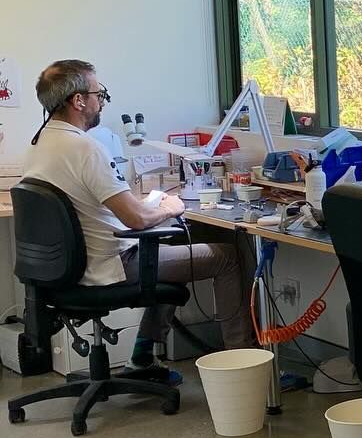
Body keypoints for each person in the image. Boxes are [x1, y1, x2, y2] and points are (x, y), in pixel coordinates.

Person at [22, 60, 259, 384]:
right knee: (227, 257)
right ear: (79, 101)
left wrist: (149, 206)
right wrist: (170, 206)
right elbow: (133, 218)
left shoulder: (39, 143)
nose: (101, 101)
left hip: (65, 269)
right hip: (110, 264)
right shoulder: (85, 148)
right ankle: (242, 365)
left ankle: (143, 359)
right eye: (99, 94)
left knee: (170, 250)